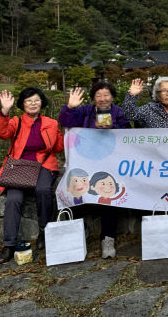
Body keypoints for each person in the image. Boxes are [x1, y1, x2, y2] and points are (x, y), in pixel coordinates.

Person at [58, 81, 129, 258]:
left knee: (108, 199)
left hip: (110, 165)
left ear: (112, 97)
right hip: (85, 164)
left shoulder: (118, 112)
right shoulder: (86, 111)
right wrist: (70, 107)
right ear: (93, 98)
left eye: (106, 95)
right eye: (98, 95)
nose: (103, 99)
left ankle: (108, 239)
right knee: (75, 197)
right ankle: (80, 234)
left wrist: (114, 127)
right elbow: (65, 121)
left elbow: (129, 132)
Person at [0, 88, 64, 264]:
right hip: (19, 167)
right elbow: (0, 133)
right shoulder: (16, 122)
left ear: (42, 102)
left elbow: (58, 148)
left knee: (43, 190)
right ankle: (9, 245)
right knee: (13, 199)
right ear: (22, 104)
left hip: (44, 166)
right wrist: (4, 111)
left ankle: (43, 231)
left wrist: (70, 133)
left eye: (36, 100)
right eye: (28, 101)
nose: (33, 103)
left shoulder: (51, 123)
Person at [122, 76, 168, 242]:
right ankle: (162, 224)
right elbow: (128, 114)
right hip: (155, 161)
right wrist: (132, 95)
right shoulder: (149, 109)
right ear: (157, 94)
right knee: (157, 191)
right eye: (163, 90)